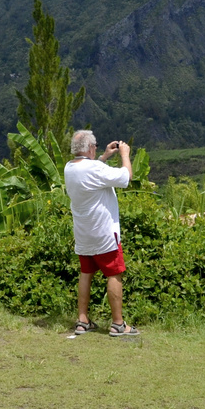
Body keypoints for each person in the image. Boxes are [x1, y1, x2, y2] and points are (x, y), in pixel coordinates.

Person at [64, 129, 138, 337]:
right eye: (95, 147)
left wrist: (104, 156)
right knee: (114, 273)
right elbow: (126, 177)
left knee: (86, 273)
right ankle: (118, 324)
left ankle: (82, 320)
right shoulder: (94, 168)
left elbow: (93, 170)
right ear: (89, 148)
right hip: (104, 233)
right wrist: (124, 154)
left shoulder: (69, 168)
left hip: (83, 233)